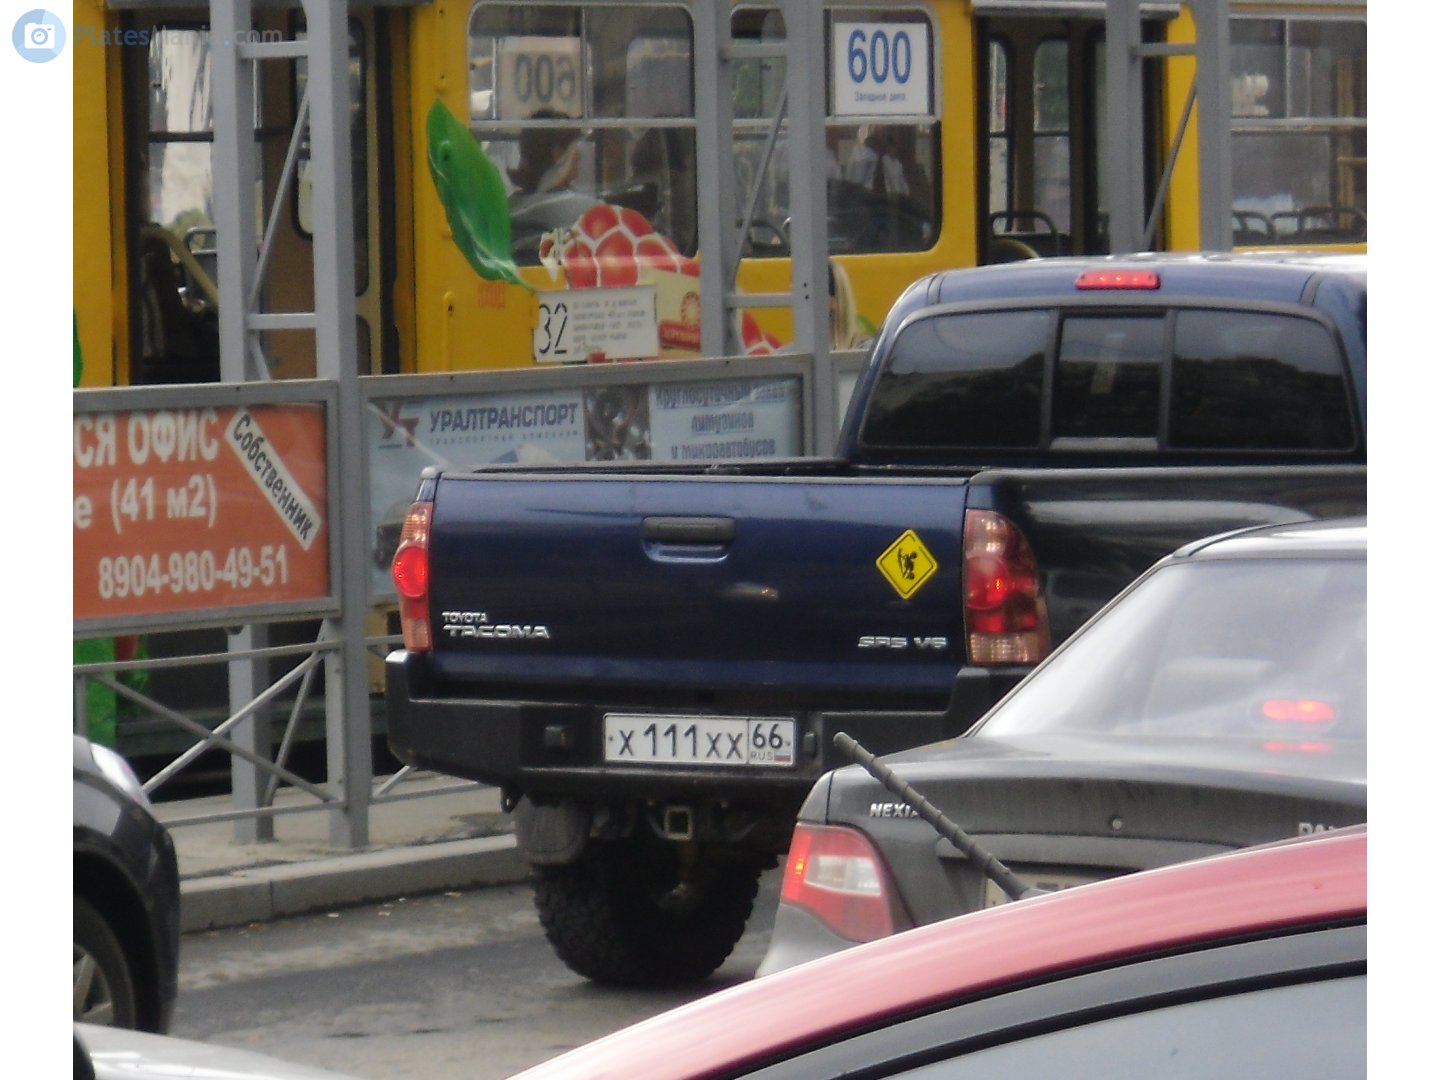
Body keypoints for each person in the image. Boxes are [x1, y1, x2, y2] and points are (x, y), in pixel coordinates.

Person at [508, 109, 584, 196]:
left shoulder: (511, 204)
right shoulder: (579, 205)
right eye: (576, 159)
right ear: (558, 154)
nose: (579, 154)